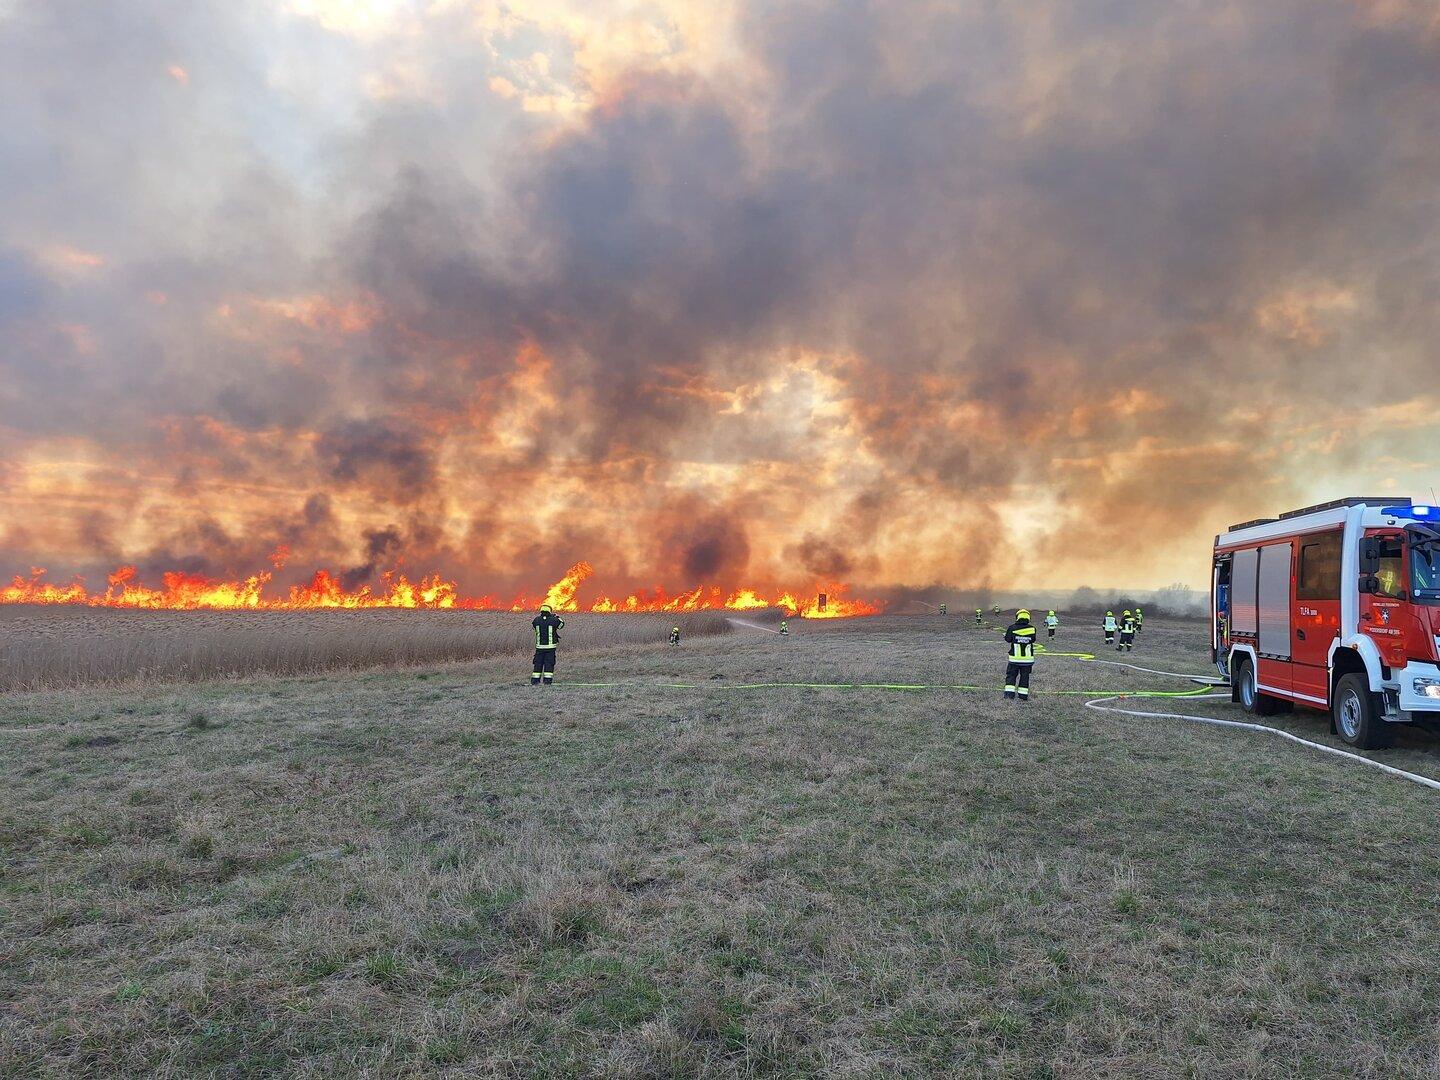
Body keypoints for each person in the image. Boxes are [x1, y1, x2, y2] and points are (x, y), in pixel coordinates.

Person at [1003, 609, 1038, 703]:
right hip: (1027, 660)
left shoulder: (1012, 628)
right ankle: (1023, 696)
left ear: (1017, 617)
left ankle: (1009, 695)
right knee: (1025, 677)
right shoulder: (1032, 629)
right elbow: (1033, 640)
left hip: (1014, 659)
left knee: (1011, 676)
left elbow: (1008, 639)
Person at [531, 603, 564, 685]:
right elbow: (561, 625)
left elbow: (533, 626)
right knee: (549, 664)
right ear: (550, 611)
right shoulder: (553, 620)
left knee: (538, 664)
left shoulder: (536, 620)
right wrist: (557, 617)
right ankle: (547, 682)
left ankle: (535, 681)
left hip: (539, 648)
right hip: (550, 648)